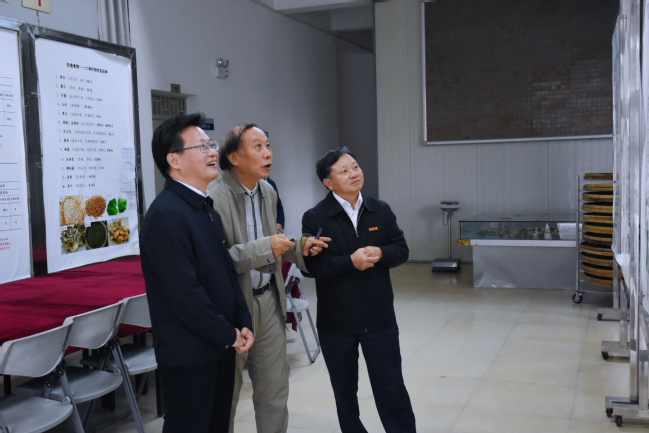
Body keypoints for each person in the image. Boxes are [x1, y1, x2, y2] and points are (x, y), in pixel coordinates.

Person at [208, 124, 329, 433]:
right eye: (258, 146)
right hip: (233, 309)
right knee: (225, 397)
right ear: (234, 157)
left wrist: (298, 247)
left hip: (269, 301)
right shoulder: (214, 195)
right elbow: (216, 262)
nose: (268, 153)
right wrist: (267, 248)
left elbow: (272, 245)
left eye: (268, 145)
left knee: (274, 392)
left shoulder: (268, 190)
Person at [140, 113, 254, 433]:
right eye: (201, 146)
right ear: (174, 160)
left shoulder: (204, 207)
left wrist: (242, 320)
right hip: (190, 356)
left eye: (211, 144)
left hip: (220, 345)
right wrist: (227, 334)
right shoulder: (165, 215)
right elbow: (185, 294)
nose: (212, 152)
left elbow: (226, 273)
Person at [302, 147, 416, 433]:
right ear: (328, 182)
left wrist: (381, 252)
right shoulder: (316, 217)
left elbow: (401, 250)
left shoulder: (381, 210)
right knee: (344, 393)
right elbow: (312, 267)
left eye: (355, 167)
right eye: (344, 171)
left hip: (379, 320)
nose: (354, 173)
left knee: (391, 388)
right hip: (336, 323)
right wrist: (350, 262)